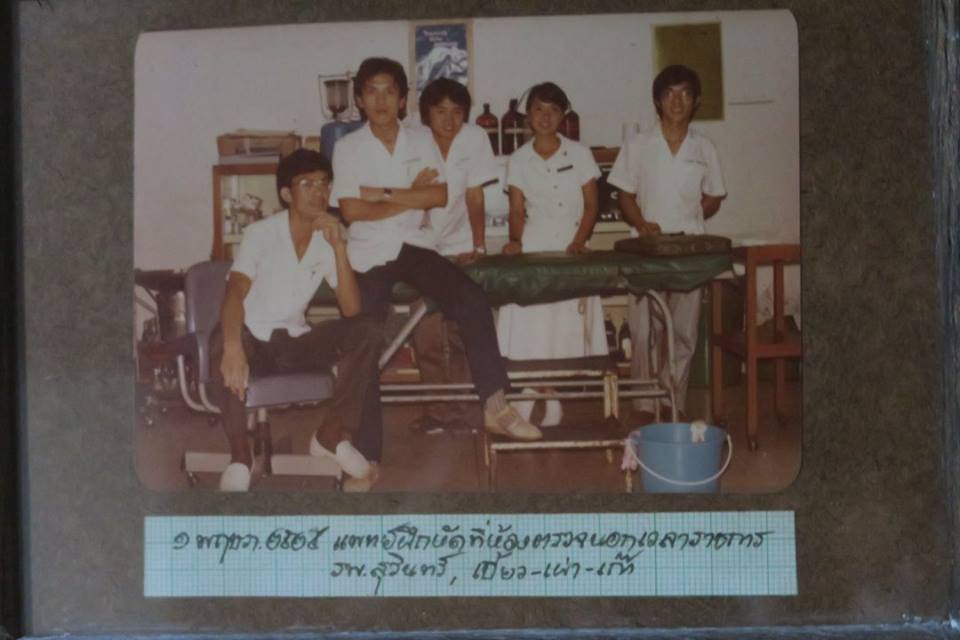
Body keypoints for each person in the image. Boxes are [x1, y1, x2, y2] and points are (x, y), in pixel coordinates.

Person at [330, 57, 541, 442]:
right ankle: (365, 447)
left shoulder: (421, 139)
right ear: (359, 99)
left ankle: (496, 407)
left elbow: (438, 195)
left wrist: (379, 194)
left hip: (413, 245)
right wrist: (410, 195)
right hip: (367, 250)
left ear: (402, 100)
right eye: (372, 92)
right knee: (367, 334)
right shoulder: (347, 148)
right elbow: (350, 210)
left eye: (390, 92)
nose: (381, 100)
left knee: (471, 297)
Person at [210, 149, 384, 492]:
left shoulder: (326, 238)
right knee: (224, 339)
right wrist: (232, 347)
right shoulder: (261, 233)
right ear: (286, 194)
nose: (319, 192)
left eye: (325, 184)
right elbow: (234, 293)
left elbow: (351, 310)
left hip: (294, 341)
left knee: (369, 329)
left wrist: (338, 248)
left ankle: (330, 435)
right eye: (308, 184)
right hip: (253, 338)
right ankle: (240, 457)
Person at [607, 64, 727, 423]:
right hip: (646, 249)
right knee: (644, 331)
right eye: (669, 94)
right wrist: (642, 224)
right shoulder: (638, 145)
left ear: (696, 101)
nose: (677, 101)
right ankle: (644, 406)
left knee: (684, 332)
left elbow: (715, 196)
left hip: (689, 252)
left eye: (685, 93)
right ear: (658, 101)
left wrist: (693, 216)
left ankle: (673, 400)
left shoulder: (704, 148)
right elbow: (624, 195)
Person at [496, 82, 607, 427]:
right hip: (534, 245)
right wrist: (515, 241)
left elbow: (591, 204)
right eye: (539, 109)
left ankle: (544, 397)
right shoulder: (519, 159)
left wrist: (579, 240)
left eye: (554, 110)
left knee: (562, 330)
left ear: (563, 116)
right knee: (533, 329)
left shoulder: (580, 154)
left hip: (571, 245)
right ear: (528, 115)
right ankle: (539, 397)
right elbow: (517, 209)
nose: (546, 117)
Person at [409, 77, 499, 433]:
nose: (449, 120)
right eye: (440, 111)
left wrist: (478, 245)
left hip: (461, 243)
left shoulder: (475, 138)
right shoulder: (411, 140)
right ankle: (437, 412)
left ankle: (465, 411)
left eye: (457, 112)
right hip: (421, 246)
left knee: (463, 331)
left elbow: (475, 195)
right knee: (426, 332)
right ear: (426, 113)